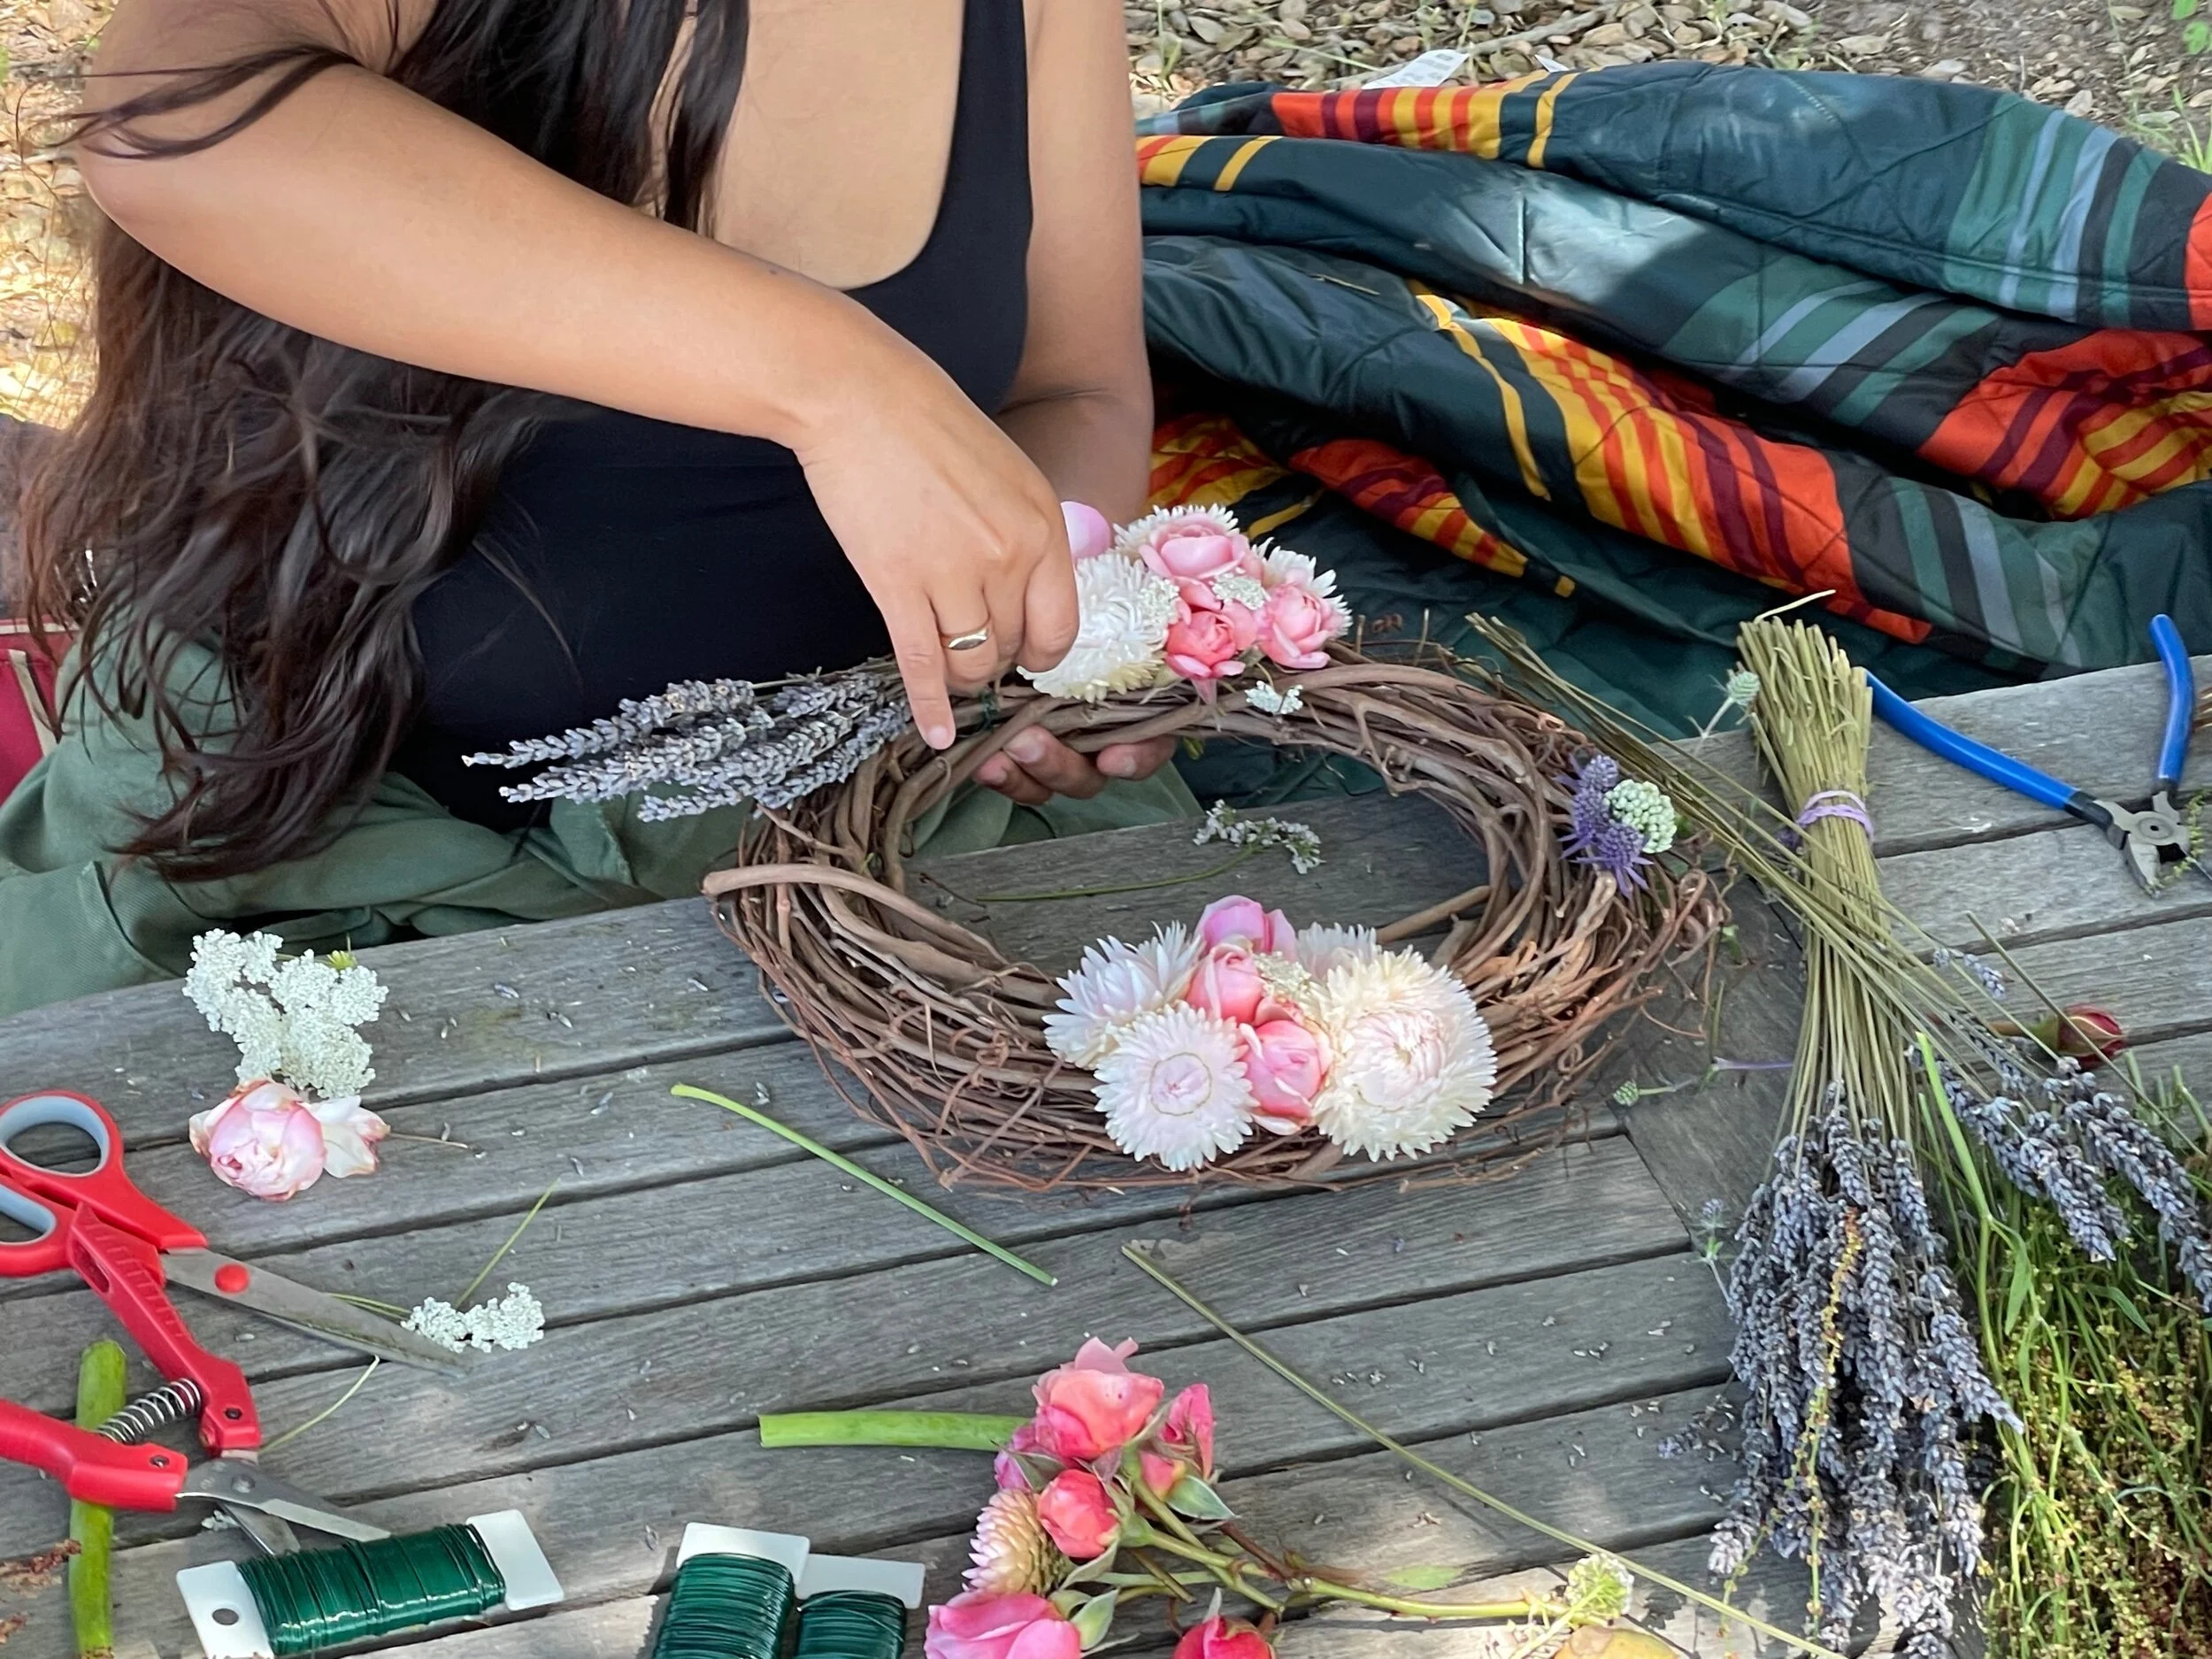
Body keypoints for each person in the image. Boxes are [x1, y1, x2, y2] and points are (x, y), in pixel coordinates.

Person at [0, 0, 1189, 1014]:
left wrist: (1039, 640)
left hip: (872, 862)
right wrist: (835, 379)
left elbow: (1073, 386)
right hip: (294, 862)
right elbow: (178, 111)